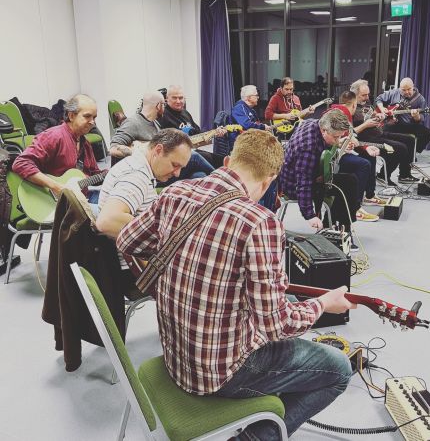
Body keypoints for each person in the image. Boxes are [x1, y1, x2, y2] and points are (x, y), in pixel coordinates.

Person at [117, 129, 356, 440]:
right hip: (219, 376)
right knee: (339, 370)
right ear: (269, 179)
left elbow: (126, 242)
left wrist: (158, 285)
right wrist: (323, 304)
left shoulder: (175, 193)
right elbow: (275, 325)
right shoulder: (261, 222)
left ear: (228, 161)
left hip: (176, 358)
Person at [279, 110, 367, 236]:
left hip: (309, 175)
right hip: (294, 186)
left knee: (350, 181)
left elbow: (322, 148)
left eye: (340, 137)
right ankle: (338, 230)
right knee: (349, 184)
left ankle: (335, 226)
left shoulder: (313, 123)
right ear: (324, 130)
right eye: (336, 137)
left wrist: (339, 143)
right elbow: (303, 183)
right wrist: (310, 215)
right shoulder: (307, 147)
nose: (338, 140)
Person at [96, 129, 192, 239]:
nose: (177, 174)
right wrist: (161, 233)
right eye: (175, 165)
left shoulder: (139, 163)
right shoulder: (137, 176)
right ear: (158, 150)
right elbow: (106, 220)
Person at [12, 94, 101, 202]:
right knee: (110, 215)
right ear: (71, 116)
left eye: (94, 117)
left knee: (115, 201)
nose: (93, 122)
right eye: (87, 116)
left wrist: (113, 173)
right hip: (55, 203)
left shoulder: (85, 144)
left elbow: (94, 174)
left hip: (80, 198)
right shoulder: (54, 136)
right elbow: (21, 163)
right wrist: (57, 187)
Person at [109, 91, 213, 181]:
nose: (164, 107)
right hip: (148, 174)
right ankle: (224, 180)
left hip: (163, 169)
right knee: (193, 157)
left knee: (199, 175)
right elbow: (113, 148)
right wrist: (140, 152)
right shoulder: (133, 123)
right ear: (158, 105)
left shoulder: (156, 124)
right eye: (163, 104)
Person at [350, 79, 418, 185]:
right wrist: (365, 125)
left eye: (368, 94)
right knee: (401, 148)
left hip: (378, 133)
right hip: (366, 140)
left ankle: (404, 175)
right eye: (364, 95)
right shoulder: (351, 108)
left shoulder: (366, 103)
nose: (367, 97)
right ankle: (383, 175)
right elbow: (350, 132)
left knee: (410, 140)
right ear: (354, 95)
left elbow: (371, 115)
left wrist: (379, 116)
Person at [328, 91, 387, 212]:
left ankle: (369, 195)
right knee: (364, 164)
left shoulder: (340, 111)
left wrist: (365, 147)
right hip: (334, 156)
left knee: (369, 156)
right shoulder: (341, 114)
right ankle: (354, 206)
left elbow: (350, 138)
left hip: (340, 151)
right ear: (354, 105)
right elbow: (341, 138)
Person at [158, 85, 225, 168]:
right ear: (167, 99)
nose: (178, 101)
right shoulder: (162, 115)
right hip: (178, 156)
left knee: (222, 160)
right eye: (174, 98)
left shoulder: (185, 113)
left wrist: (214, 133)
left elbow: (199, 133)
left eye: (181, 98)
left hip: (191, 151)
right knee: (216, 162)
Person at [376, 77, 430, 153]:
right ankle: (391, 152)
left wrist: (416, 117)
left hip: (409, 124)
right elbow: (379, 99)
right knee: (381, 131)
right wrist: (382, 108)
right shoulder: (394, 93)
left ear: (413, 87)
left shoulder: (420, 99)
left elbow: (422, 118)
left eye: (409, 89)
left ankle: (412, 152)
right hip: (393, 123)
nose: (406, 92)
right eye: (403, 90)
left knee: (428, 133)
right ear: (400, 88)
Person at [229, 85, 273, 150]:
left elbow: (257, 124)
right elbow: (246, 125)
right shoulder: (239, 108)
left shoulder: (251, 110)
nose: (258, 97)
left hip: (250, 142)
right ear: (249, 97)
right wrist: (263, 127)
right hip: (240, 146)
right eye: (256, 95)